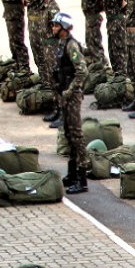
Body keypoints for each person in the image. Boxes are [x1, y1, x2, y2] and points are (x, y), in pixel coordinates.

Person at [50, 12, 89, 195]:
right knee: (68, 134)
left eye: (57, 26)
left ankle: (81, 178)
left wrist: (70, 90)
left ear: (65, 28)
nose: (54, 29)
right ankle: (72, 173)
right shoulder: (61, 44)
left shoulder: (71, 45)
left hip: (72, 97)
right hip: (64, 97)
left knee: (76, 136)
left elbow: (82, 71)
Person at [101, 0, 126, 74]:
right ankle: (118, 75)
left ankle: (124, 76)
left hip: (117, 21)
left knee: (119, 50)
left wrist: (125, 10)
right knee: (112, 51)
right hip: (110, 21)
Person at [24, 0, 47, 78]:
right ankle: (44, 80)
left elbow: (46, 3)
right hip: (33, 25)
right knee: (37, 54)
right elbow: (34, 1)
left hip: (39, 25)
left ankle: (48, 82)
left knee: (42, 55)